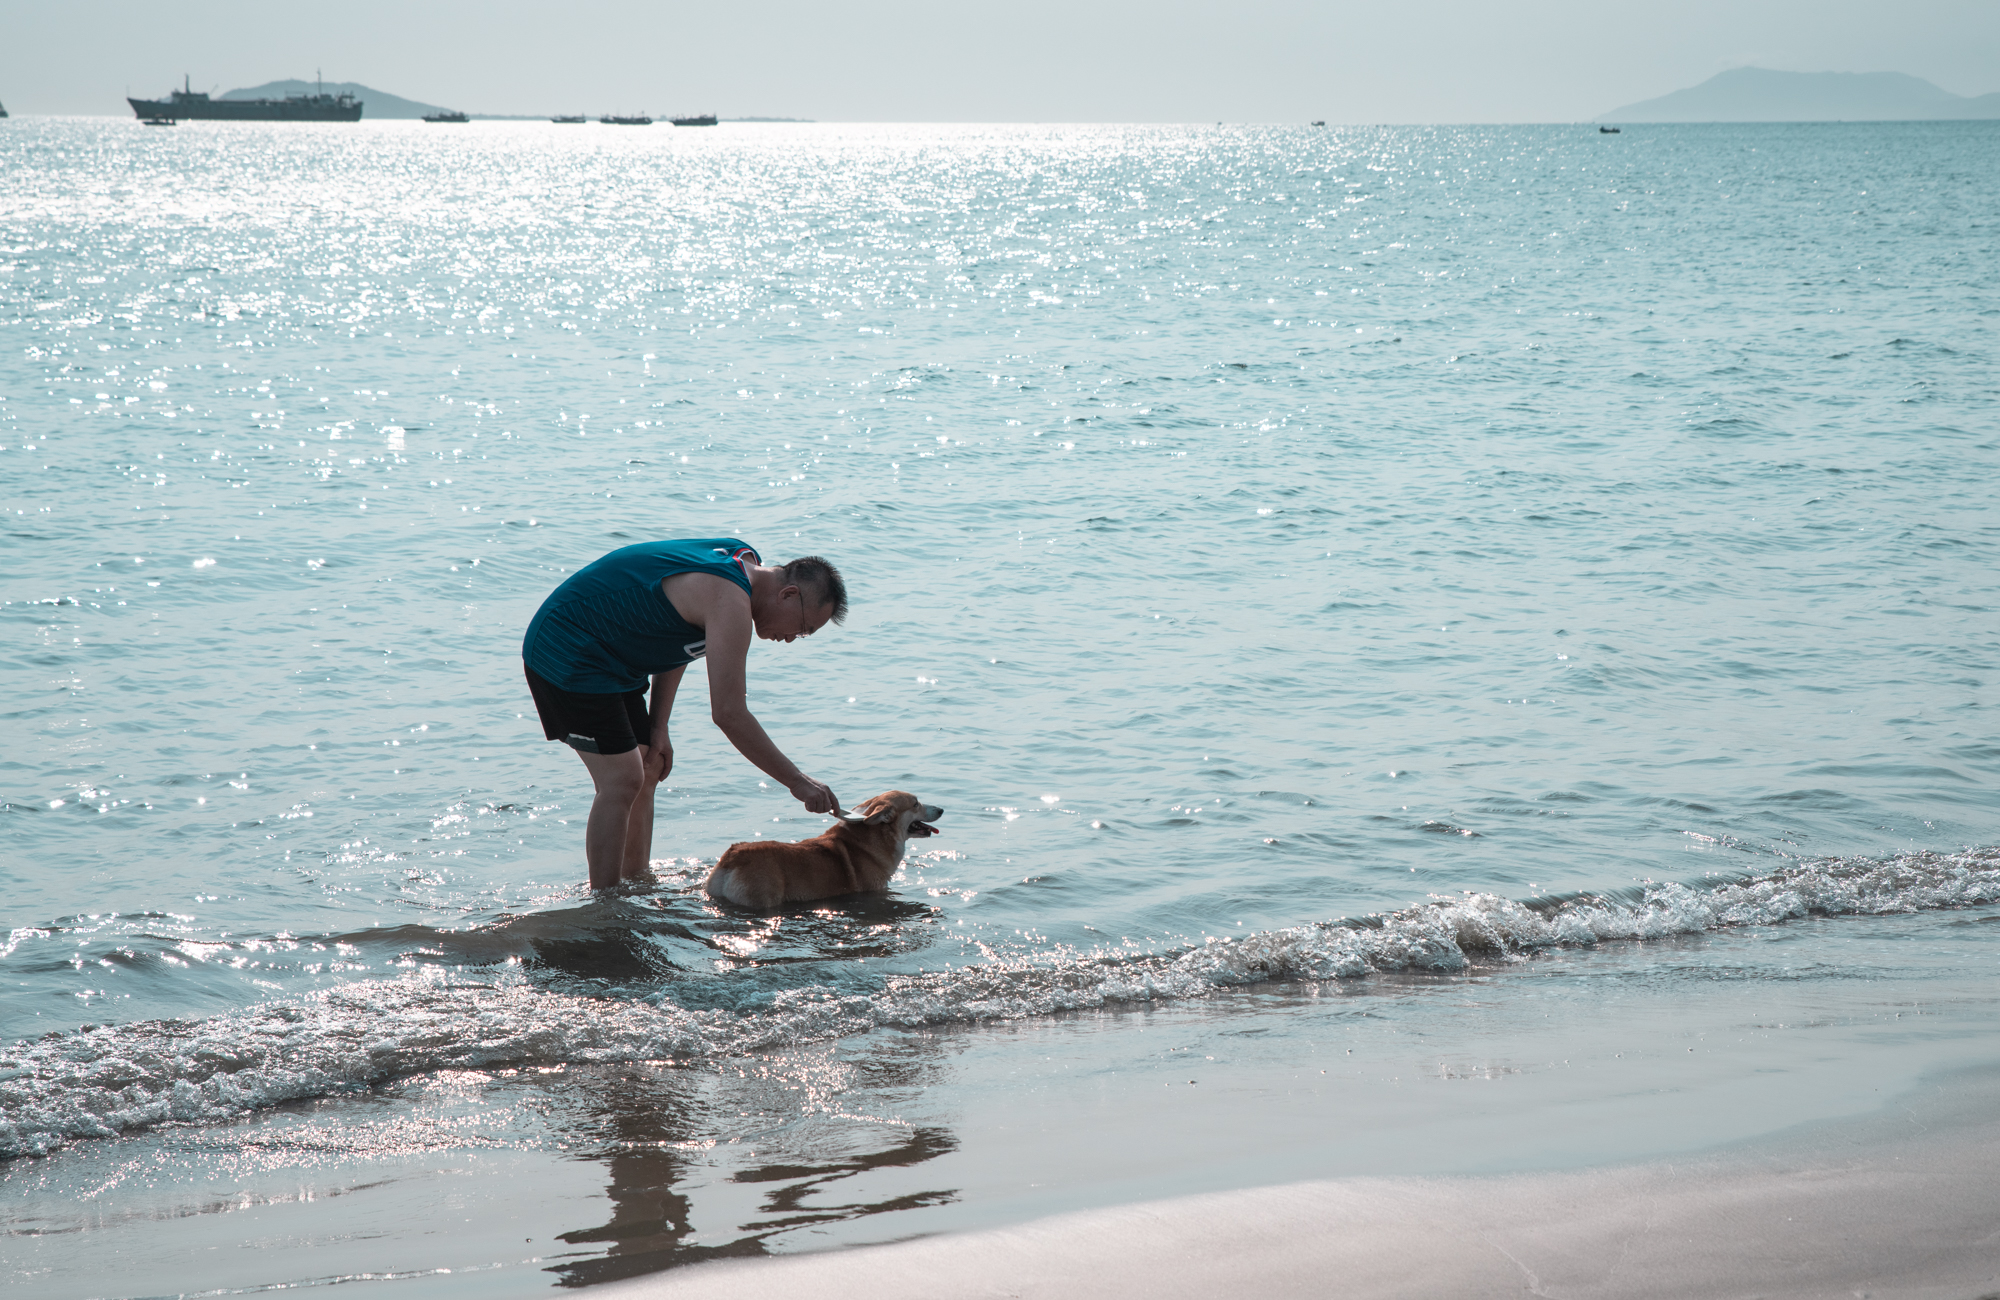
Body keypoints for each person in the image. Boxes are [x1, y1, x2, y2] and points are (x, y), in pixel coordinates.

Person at [522, 538, 846, 889]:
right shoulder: (730, 599)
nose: (793, 638)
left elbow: (678, 637)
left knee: (649, 766)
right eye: (803, 628)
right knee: (621, 780)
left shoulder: (742, 559)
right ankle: (607, 908)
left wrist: (658, 726)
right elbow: (729, 713)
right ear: (788, 594)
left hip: (615, 658)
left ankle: (637, 884)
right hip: (566, 647)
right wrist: (797, 781)